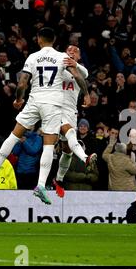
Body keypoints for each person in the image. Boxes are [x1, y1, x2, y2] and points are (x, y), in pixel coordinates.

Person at [0, 27, 90, 205]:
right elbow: (78, 76)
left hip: (34, 100)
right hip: (53, 104)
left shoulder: (32, 57)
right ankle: (40, 185)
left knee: (14, 135)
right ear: (54, 41)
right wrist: (86, 94)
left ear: (39, 39)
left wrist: (18, 99)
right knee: (48, 146)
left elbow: (23, 82)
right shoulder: (60, 57)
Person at [52, 45, 97, 198]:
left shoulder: (82, 71)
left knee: (67, 152)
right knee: (70, 133)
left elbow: (81, 74)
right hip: (54, 109)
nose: (71, 51)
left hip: (71, 112)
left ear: (79, 57)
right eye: (68, 49)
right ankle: (85, 158)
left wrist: (86, 94)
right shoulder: (58, 65)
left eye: (75, 50)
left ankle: (58, 180)